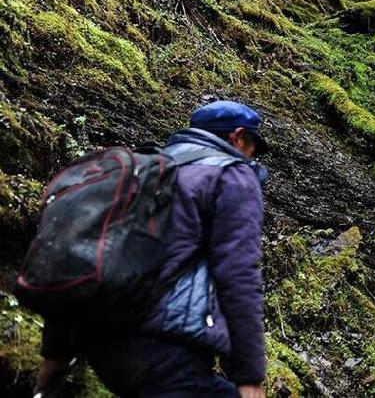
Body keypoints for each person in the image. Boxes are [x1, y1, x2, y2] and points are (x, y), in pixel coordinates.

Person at [34, 101, 270, 398]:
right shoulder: (232, 176)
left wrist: (54, 355)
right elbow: (238, 275)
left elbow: (82, 255)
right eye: (253, 148)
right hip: (165, 354)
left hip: (103, 350)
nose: (252, 158)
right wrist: (249, 376)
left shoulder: (145, 170)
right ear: (238, 138)